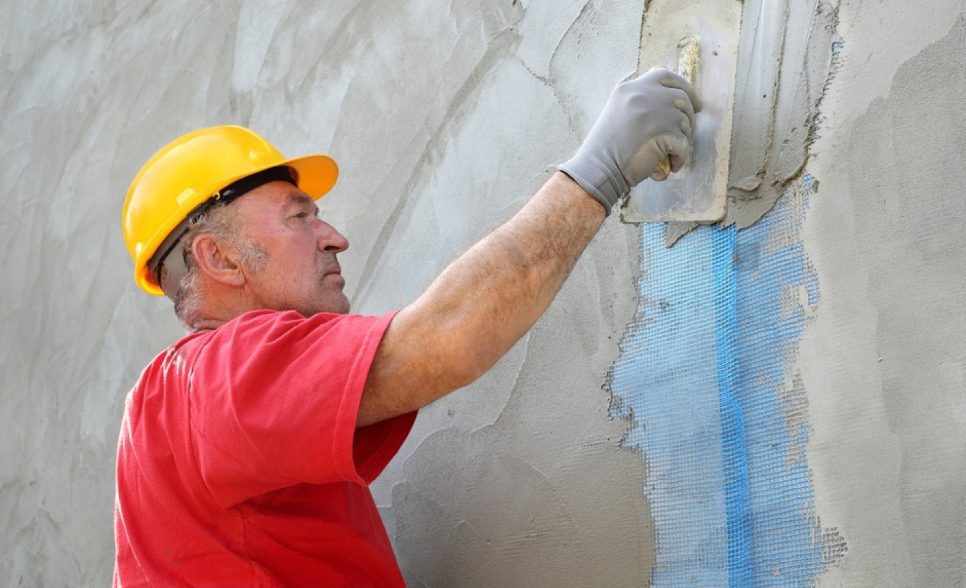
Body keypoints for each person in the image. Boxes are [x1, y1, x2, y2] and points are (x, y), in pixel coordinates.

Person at [113, 67, 699, 586]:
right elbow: (447, 341)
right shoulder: (222, 374)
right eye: (299, 217)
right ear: (220, 259)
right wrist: (599, 170)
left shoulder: (182, 406)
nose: (334, 237)